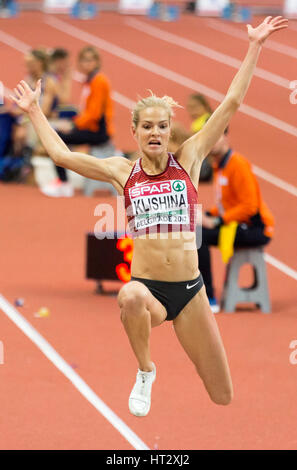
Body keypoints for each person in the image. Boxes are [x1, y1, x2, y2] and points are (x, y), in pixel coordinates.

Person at [10, 16, 288, 417]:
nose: (155, 132)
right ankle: (145, 370)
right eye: (147, 127)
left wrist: (254, 46)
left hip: (191, 292)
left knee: (222, 395)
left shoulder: (189, 160)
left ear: (170, 129)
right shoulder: (122, 171)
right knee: (129, 296)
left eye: (162, 126)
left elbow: (231, 103)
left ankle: (185, 360)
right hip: (150, 291)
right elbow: (61, 156)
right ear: (136, 132)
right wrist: (35, 111)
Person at [198, 127, 275, 313]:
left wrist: (216, 221)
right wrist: (208, 214)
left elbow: (250, 207)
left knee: (199, 237)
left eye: (216, 136)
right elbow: (227, 204)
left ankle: (209, 297)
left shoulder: (237, 164)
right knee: (194, 227)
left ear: (226, 136)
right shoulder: (219, 166)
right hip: (236, 223)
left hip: (256, 228)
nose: (213, 141)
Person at [41, 45, 116, 198]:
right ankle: (63, 181)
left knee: (58, 138)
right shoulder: (90, 80)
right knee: (59, 134)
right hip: (91, 127)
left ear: (97, 62)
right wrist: (73, 122)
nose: (86, 64)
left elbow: (94, 115)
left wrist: (73, 125)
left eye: (90, 60)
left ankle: (63, 183)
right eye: (83, 60)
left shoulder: (99, 81)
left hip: (99, 131)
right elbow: (86, 112)